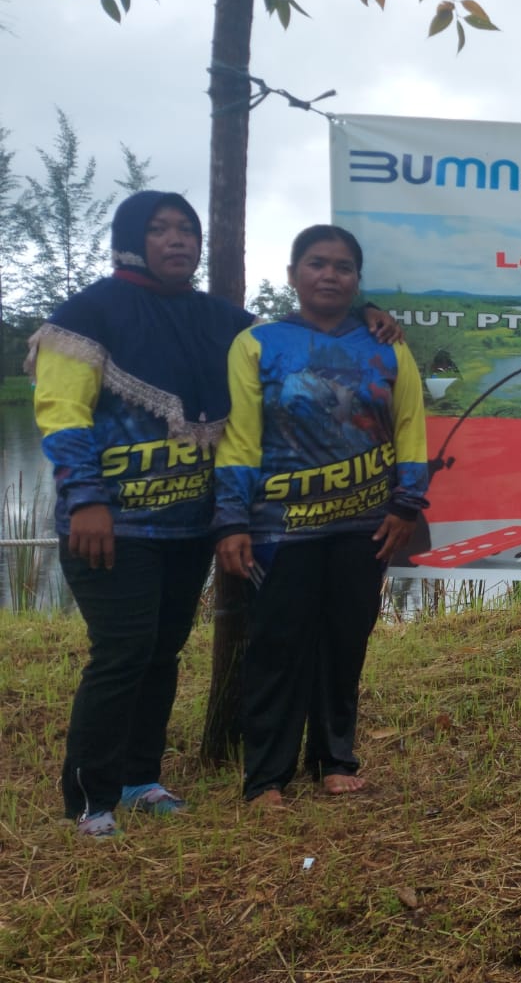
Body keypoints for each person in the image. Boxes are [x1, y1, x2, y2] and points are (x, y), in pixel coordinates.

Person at [30, 194, 406, 838]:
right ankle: (90, 800)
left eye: (188, 229)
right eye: (160, 229)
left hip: (188, 525)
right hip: (111, 525)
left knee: (163, 651)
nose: (177, 240)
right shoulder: (86, 315)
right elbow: (62, 413)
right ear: (131, 238)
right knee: (121, 652)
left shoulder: (221, 320)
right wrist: (85, 497)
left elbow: (304, 328)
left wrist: (368, 314)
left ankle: (140, 779)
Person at [214, 225, 429, 807]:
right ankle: (266, 776)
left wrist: (407, 503)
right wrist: (231, 520)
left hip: (365, 525)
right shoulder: (257, 344)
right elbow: (239, 440)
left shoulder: (388, 346)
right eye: (316, 263)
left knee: (345, 642)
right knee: (276, 646)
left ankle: (334, 759)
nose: (329, 275)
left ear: (357, 280)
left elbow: (410, 428)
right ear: (293, 275)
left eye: (342, 266)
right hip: (278, 530)